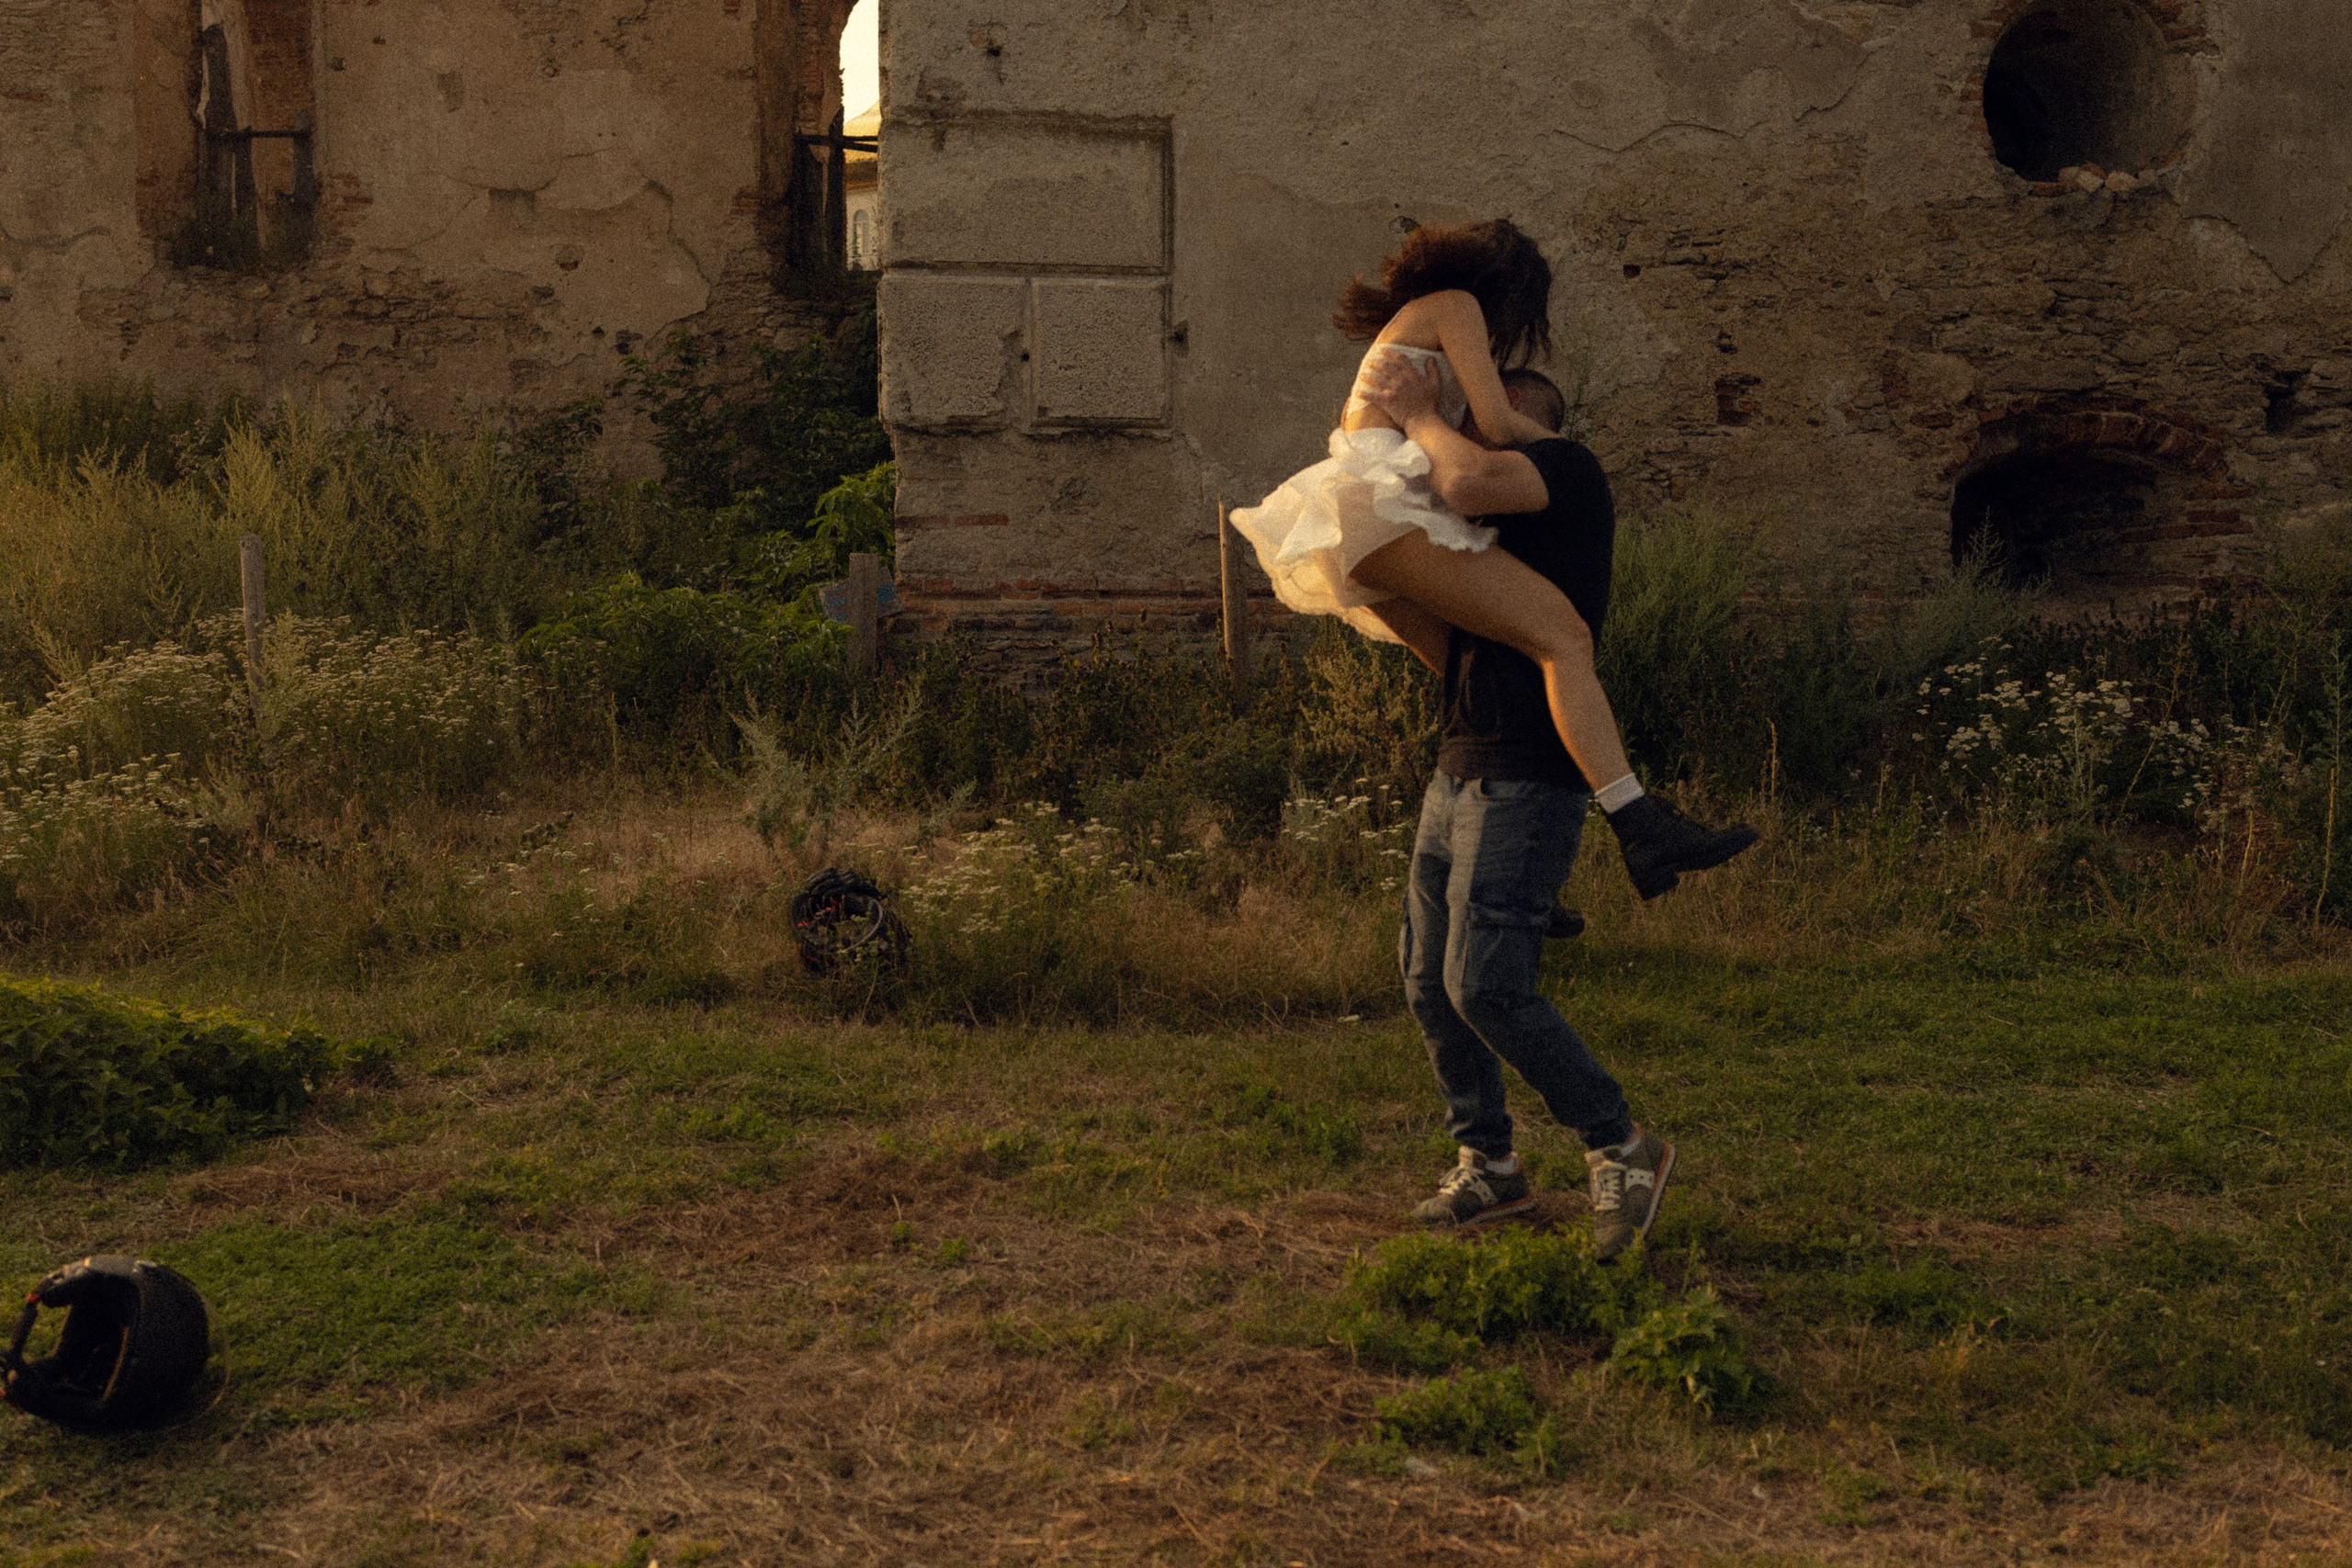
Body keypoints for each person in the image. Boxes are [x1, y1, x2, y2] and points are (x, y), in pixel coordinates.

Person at [1229, 219, 1755, 899]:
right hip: (1386, 515)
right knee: (1564, 635)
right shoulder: (1457, 308)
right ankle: (1637, 821)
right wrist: (1569, 455)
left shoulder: (1412, 324)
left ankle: (1523, 873)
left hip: (1360, 521)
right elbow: (1502, 427)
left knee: (1475, 662)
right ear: (1510, 290)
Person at [1359, 353, 1669, 1253]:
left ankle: (1622, 1146)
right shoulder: (1478, 536)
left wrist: (1421, 414)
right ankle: (1489, 1167)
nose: (1471, 444)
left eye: (1491, 427)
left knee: (1484, 984)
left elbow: (1463, 470)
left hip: (1532, 776)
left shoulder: (1566, 476)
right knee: (1427, 980)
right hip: (1457, 770)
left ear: (1536, 428)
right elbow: (1439, 635)